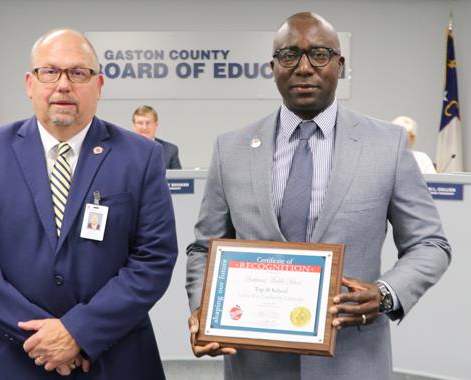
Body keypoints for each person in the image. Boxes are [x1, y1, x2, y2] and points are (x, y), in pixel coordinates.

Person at [185, 12, 451, 380]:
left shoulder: (386, 145)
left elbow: (430, 244)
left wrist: (385, 293)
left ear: (340, 65)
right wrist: (204, 310)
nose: (304, 68)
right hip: (255, 364)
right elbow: (203, 248)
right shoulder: (231, 148)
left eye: (320, 55)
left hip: (352, 361)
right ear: (273, 66)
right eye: (290, 55)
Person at [0, 29, 177, 379]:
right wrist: (43, 339)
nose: (63, 85)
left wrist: (78, 332)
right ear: (30, 83)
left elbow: (154, 258)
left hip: (113, 357)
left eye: (78, 73)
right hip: (11, 356)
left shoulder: (142, 156)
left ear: (99, 85)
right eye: (50, 72)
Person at [132, 105, 182, 169]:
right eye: (140, 123)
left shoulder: (170, 150)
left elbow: (179, 178)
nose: (144, 127)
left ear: (156, 125)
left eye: (148, 123)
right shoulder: (124, 150)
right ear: (134, 126)